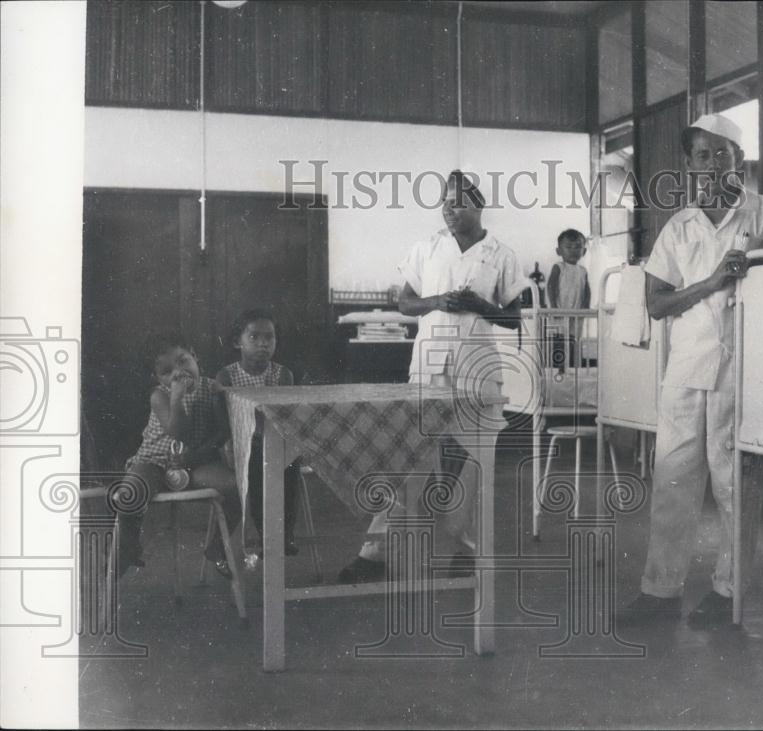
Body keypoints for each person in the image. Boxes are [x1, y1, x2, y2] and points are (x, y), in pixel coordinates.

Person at [619, 113, 763, 627]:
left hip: (745, 371)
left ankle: (728, 591)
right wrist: (709, 284)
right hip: (686, 370)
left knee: (736, 487)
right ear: (689, 165)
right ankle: (660, 589)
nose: (712, 164)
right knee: (672, 482)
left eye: (722, 154)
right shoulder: (678, 226)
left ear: (739, 159)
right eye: (702, 156)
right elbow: (657, 303)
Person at [336, 170, 527, 584]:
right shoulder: (427, 248)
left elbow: (514, 319)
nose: (448, 209)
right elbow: (405, 302)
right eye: (444, 202)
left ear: (478, 205)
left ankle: (468, 553)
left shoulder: (501, 254)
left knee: (474, 465)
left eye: (457, 202)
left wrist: (479, 304)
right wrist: (437, 300)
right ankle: (375, 553)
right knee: (405, 460)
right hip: (427, 367)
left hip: (478, 370)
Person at [115, 335, 241, 579]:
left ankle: (217, 548)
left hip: (196, 463)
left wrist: (199, 455)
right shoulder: (160, 396)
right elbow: (178, 431)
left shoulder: (211, 388)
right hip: (154, 462)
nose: (178, 373)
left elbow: (222, 432)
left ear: (196, 357)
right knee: (130, 491)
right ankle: (129, 545)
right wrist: (177, 398)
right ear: (158, 378)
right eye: (166, 371)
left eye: (183, 361)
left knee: (238, 487)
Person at [215, 309, 301, 557]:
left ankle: (284, 533)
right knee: (257, 466)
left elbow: (287, 416)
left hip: (275, 442)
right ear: (236, 342)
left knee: (290, 464)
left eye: (269, 337)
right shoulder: (227, 376)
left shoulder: (282, 375)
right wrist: (228, 444)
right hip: (241, 445)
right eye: (254, 337)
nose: (263, 344)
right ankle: (267, 533)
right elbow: (221, 420)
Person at [547, 229, 591, 310]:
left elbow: (586, 291)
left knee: (576, 323)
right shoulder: (559, 267)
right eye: (568, 247)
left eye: (577, 247)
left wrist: (586, 305)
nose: (573, 251)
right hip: (559, 312)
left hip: (577, 313)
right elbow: (551, 286)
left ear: (584, 251)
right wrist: (553, 306)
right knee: (558, 323)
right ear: (559, 251)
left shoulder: (583, 271)